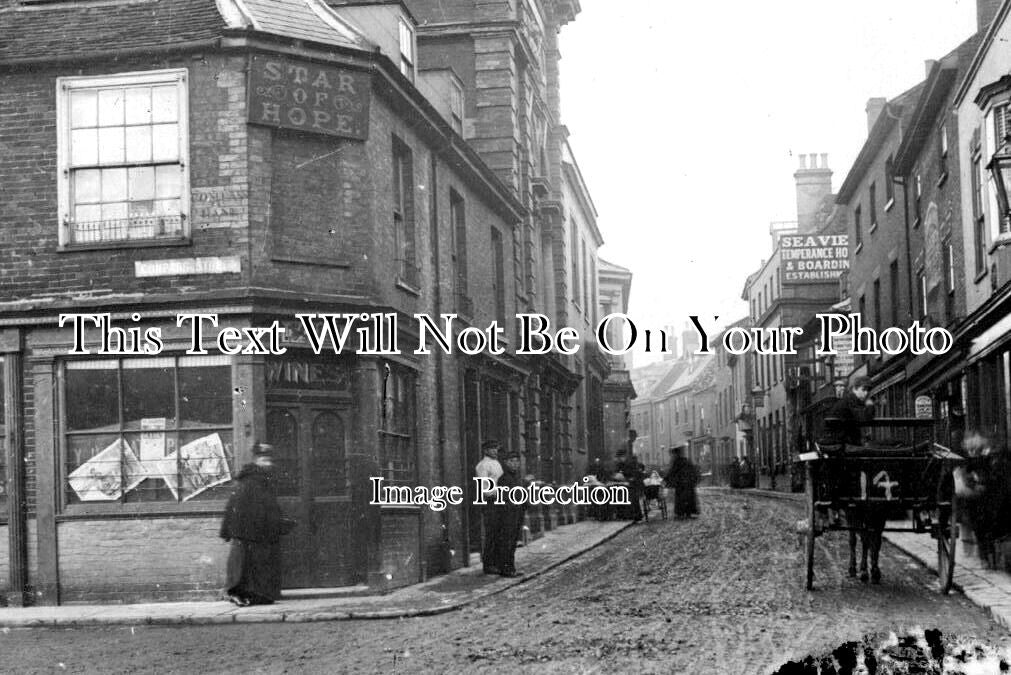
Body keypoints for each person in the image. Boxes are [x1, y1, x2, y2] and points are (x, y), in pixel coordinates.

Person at [220, 442, 293, 606]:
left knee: (254, 564)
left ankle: (256, 595)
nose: (267, 464)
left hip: (254, 531)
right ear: (256, 460)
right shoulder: (252, 480)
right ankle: (240, 594)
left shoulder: (260, 480)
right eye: (263, 460)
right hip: (248, 531)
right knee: (245, 565)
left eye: (269, 460)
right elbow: (240, 505)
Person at [494, 449, 528, 577]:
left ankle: (511, 567)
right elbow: (505, 499)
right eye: (511, 461)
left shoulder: (517, 478)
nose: (514, 464)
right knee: (507, 541)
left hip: (517, 514)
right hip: (508, 515)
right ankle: (506, 569)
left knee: (512, 541)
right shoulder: (504, 479)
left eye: (517, 461)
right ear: (506, 463)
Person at [475, 439, 504, 574]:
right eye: (492, 449)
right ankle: (488, 564)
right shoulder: (483, 465)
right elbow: (484, 486)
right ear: (485, 450)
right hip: (490, 501)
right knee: (491, 533)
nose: (494, 451)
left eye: (496, 448)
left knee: (499, 532)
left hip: (500, 500)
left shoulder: (497, 463)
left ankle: (497, 562)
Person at [824, 376, 875, 447]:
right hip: (840, 444)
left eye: (868, 390)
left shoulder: (850, 399)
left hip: (840, 442)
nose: (866, 393)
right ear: (855, 389)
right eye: (863, 390)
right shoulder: (851, 400)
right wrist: (870, 405)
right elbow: (863, 419)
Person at [665, 446, 700, 518]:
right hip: (688, 484)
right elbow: (693, 471)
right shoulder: (686, 461)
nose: (672, 456)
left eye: (673, 454)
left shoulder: (677, 462)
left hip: (681, 484)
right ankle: (688, 512)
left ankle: (681, 512)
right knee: (688, 498)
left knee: (681, 498)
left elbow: (672, 472)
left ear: (676, 454)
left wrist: (666, 479)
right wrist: (693, 480)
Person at [617, 450, 645, 522]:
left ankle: (635, 516)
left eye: (621, 457)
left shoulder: (629, 464)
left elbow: (634, 473)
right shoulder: (620, 464)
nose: (620, 459)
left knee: (632, 499)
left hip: (632, 484)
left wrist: (630, 478)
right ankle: (624, 515)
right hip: (625, 482)